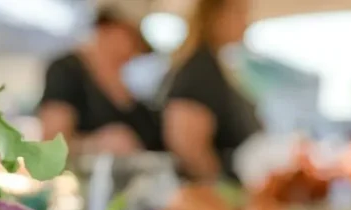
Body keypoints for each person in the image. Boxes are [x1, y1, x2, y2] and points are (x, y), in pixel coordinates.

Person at [37, 2, 161, 156]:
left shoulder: (128, 82)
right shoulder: (67, 71)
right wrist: (95, 145)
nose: (134, 51)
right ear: (107, 28)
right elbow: (51, 142)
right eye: (132, 38)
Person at [160, 0, 259, 181]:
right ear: (215, 16)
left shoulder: (213, 65)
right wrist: (221, 190)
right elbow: (187, 146)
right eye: (239, 13)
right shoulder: (199, 69)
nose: (246, 22)